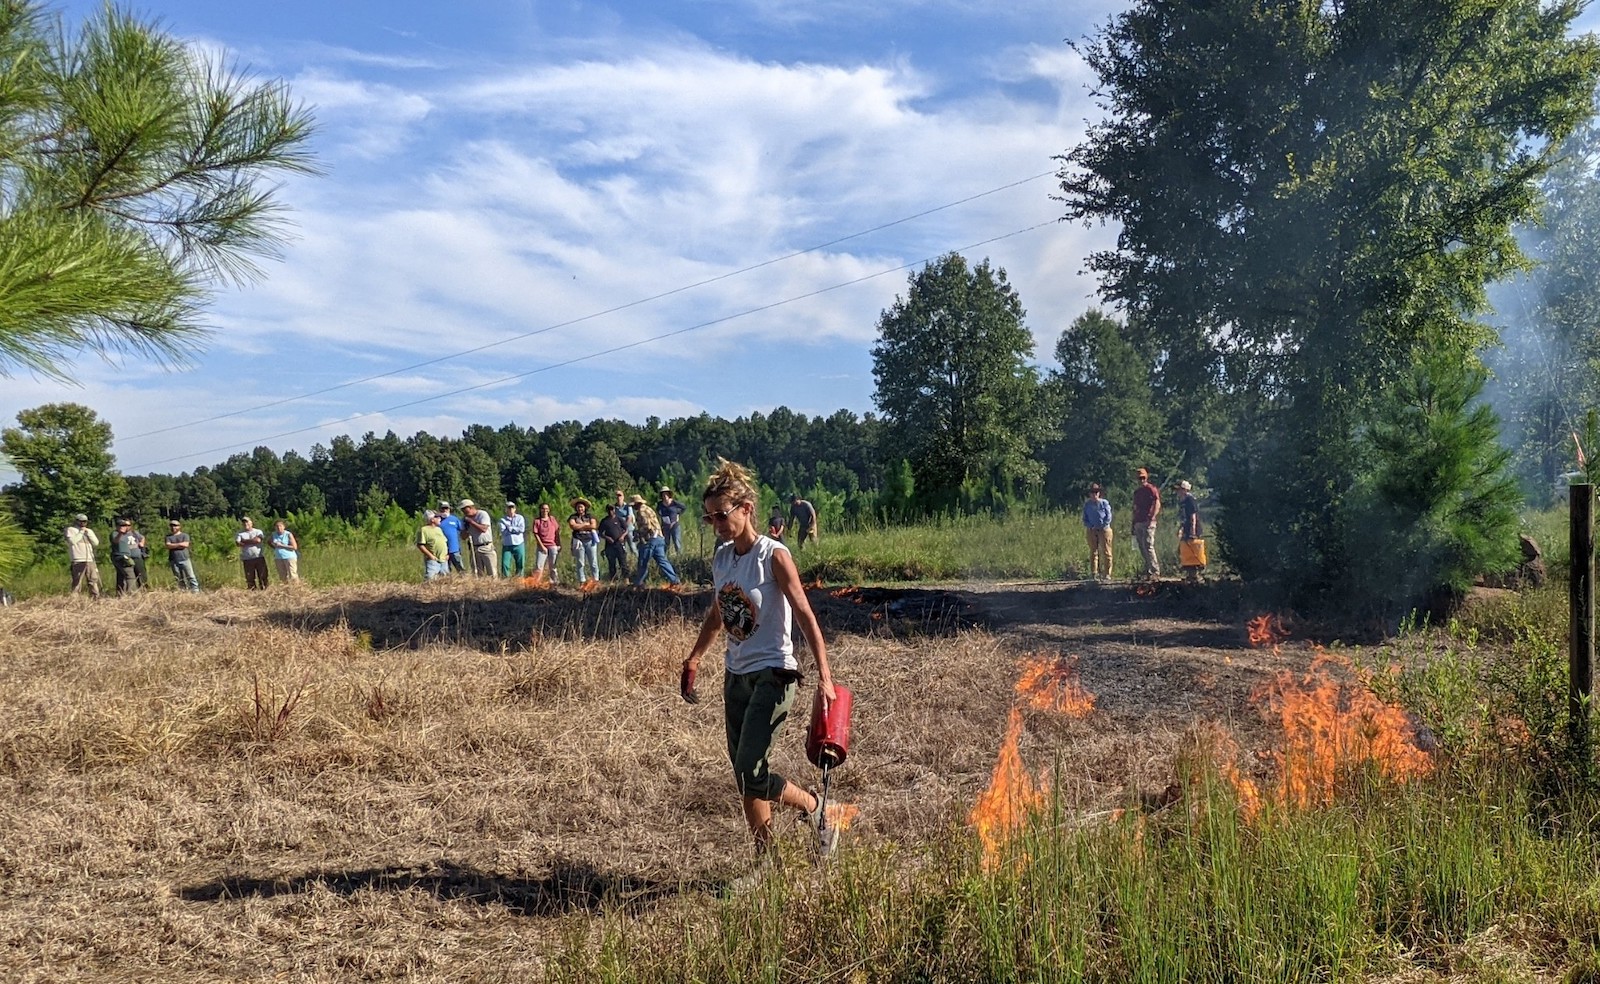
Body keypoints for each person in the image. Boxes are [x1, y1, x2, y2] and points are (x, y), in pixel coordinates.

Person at [680, 459, 839, 860]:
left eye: (722, 515)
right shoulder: (721, 559)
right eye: (710, 517)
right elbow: (719, 613)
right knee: (744, 775)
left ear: (746, 508)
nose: (716, 523)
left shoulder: (774, 555)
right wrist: (695, 658)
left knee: (751, 769)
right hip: (737, 676)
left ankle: (815, 807)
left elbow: (804, 613)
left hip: (774, 672)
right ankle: (767, 860)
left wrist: (825, 675)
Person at [630, 494, 681, 587]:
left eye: (633, 505)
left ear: (637, 504)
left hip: (650, 539)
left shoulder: (641, 512)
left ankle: (638, 583)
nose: (633, 507)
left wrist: (638, 533)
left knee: (643, 561)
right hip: (659, 537)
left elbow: (647, 526)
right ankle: (674, 580)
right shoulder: (649, 509)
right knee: (662, 561)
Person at [1132, 468, 1161, 578]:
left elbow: (1157, 503)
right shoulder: (1137, 492)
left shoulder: (1151, 489)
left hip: (1148, 521)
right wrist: (1133, 523)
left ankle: (1155, 570)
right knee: (1141, 546)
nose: (1141, 480)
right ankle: (1148, 568)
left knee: (1148, 544)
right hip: (1138, 521)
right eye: (1139, 478)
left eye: (1143, 478)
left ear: (1146, 477)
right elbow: (1135, 508)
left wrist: (1152, 516)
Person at [65, 514, 102, 598]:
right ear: (76, 521)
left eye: (85, 521)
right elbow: (73, 541)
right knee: (77, 581)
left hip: (89, 559)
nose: (83, 523)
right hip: (78, 559)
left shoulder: (89, 531)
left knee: (93, 580)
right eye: (81, 521)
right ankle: (75, 599)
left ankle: (95, 598)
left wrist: (88, 533)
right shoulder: (71, 530)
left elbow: (96, 543)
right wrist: (81, 532)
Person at [1082, 483, 1113, 581]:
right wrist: (1090, 526)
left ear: (1099, 493)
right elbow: (1085, 518)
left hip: (1104, 529)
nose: (1094, 494)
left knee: (1107, 552)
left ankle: (1107, 574)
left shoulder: (1104, 503)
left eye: (1096, 492)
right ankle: (1094, 573)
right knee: (1093, 552)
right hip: (1092, 530)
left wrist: (1103, 525)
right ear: (1089, 494)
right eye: (1092, 492)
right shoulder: (1087, 505)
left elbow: (1108, 517)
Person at [1175, 479, 1204, 582]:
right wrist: (1180, 529)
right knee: (1184, 550)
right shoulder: (1182, 501)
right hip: (1186, 529)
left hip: (1193, 530)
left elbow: (1193, 516)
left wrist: (1192, 531)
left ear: (1185, 490)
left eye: (1179, 490)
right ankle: (1190, 574)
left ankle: (1195, 575)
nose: (1177, 492)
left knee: (1193, 551)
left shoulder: (1190, 500)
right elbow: (1183, 518)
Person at [460, 499, 497, 577]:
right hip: (474, 548)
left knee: (492, 572)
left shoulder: (482, 514)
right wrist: (466, 528)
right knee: (477, 573)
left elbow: (483, 529)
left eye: (465, 509)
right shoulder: (464, 519)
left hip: (486, 547)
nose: (463, 511)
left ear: (470, 507)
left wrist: (472, 522)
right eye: (462, 509)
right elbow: (463, 537)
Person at [568, 498, 600, 585]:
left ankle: (595, 580)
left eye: (581, 507)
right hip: (579, 541)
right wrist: (586, 524)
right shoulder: (573, 517)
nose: (580, 509)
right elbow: (573, 526)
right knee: (580, 562)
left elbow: (593, 525)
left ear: (585, 507)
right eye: (578, 507)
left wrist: (580, 526)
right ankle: (582, 581)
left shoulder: (590, 516)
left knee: (593, 561)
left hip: (590, 541)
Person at [165, 519, 200, 592]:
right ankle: (182, 591)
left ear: (179, 527)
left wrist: (173, 545)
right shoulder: (168, 537)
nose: (173, 527)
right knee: (178, 577)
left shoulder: (184, 535)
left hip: (185, 559)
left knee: (190, 576)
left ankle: (195, 591)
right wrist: (180, 544)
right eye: (171, 526)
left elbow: (186, 544)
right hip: (173, 560)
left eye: (175, 526)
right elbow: (168, 546)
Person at [110, 517, 142, 596]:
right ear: (117, 526)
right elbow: (115, 541)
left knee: (121, 576)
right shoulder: (115, 533)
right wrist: (120, 533)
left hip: (127, 556)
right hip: (121, 557)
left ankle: (120, 595)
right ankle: (133, 594)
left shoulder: (128, 534)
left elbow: (140, 538)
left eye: (124, 525)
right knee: (130, 576)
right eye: (120, 525)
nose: (123, 527)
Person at [598, 503, 630, 581]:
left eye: (612, 509)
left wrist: (622, 536)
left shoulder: (619, 519)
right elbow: (600, 533)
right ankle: (613, 580)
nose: (610, 511)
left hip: (619, 543)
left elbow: (626, 529)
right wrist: (607, 537)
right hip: (609, 545)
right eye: (609, 509)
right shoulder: (604, 521)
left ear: (614, 510)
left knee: (623, 562)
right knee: (611, 563)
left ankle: (626, 579)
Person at [532, 502, 561, 583]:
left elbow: (557, 532)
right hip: (542, 546)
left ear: (549, 510)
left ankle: (554, 583)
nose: (545, 510)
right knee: (539, 566)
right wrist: (542, 546)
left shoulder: (552, 519)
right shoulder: (537, 521)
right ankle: (536, 583)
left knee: (553, 567)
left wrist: (559, 544)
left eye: (546, 509)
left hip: (553, 545)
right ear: (540, 510)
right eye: (543, 508)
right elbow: (536, 534)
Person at [236, 516, 269, 589]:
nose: (245, 524)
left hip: (258, 557)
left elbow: (258, 540)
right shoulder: (240, 533)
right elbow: (238, 543)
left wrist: (244, 541)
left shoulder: (258, 531)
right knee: (249, 577)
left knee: (263, 575)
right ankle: (252, 592)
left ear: (251, 523)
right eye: (244, 522)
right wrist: (252, 541)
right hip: (247, 558)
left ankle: (265, 590)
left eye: (247, 522)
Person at [418, 509, 449, 581]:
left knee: (445, 580)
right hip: (433, 560)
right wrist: (430, 556)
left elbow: (444, 541)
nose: (440, 519)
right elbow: (420, 545)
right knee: (430, 579)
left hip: (444, 560)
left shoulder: (439, 529)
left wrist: (447, 554)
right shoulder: (424, 530)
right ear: (432, 519)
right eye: (437, 517)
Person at [499, 501, 527, 577]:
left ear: (515, 509)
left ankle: (519, 579)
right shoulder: (502, 520)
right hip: (507, 544)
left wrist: (510, 528)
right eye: (509, 508)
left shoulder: (520, 518)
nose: (511, 509)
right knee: (505, 564)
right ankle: (506, 580)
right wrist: (515, 530)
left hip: (519, 543)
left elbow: (521, 529)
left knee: (520, 564)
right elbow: (503, 532)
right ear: (506, 509)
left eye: (512, 507)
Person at [437, 501, 466, 574]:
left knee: (460, 567)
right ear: (439, 509)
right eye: (442, 508)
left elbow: (462, 530)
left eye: (446, 508)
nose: (444, 510)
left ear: (449, 509)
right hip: (442, 550)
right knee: (445, 570)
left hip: (454, 548)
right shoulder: (436, 520)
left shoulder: (454, 519)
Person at [657, 487, 687, 555]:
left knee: (676, 541)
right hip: (665, 526)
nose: (665, 496)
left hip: (675, 525)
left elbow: (684, 507)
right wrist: (662, 517)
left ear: (669, 494)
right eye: (663, 495)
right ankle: (665, 557)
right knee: (666, 542)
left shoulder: (674, 503)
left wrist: (678, 514)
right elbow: (658, 511)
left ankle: (680, 557)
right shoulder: (660, 504)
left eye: (666, 494)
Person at [614, 489, 637, 560]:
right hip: (619, 531)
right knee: (623, 549)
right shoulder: (614, 507)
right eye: (617, 496)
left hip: (629, 529)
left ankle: (638, 562)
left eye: (620, 495)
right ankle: (626, 565)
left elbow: (629, 517)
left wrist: (625, 528)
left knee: (633, 548)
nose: (618, 497)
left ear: (623, 497)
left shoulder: (628, 506)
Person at [129, 521, 150, 589]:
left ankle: (144, 588)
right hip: (128, 558)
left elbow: (142, 537)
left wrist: (142, 543)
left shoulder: (134, 533)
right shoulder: (121, 535)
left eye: (128, 525)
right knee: (131, 576)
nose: (127, 526)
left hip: (138, 557)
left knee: (142, 575)